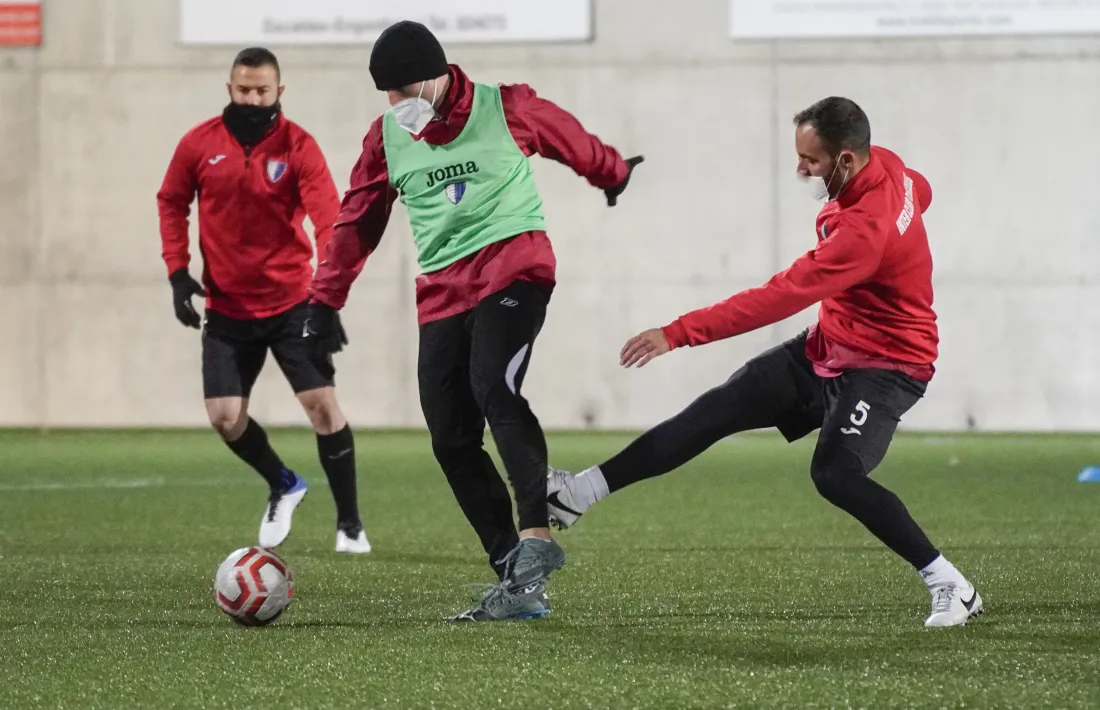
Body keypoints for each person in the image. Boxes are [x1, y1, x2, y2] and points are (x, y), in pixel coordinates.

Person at [546, 97, 983, 628]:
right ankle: (577, 493)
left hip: (887, 364)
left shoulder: (861, 234)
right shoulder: (889, 166)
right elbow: (922, 191)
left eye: (811, 161)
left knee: (835, 475)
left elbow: (778, 297)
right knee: (718, 409)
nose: (800, 169)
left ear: (846, 160)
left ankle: (950, 584)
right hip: (830, 342)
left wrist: (678, 332)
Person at [304, 20, 642, 621]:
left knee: (493, 384)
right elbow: (358, 221)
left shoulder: (504, 106)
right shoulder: (386, 137)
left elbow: (571, 140)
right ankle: (517, 578)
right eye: (387, 92)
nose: (397, 102)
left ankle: (536, 536)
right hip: (441, 293)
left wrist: (611, 172)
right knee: (450, 435)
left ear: (437, 76)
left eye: (406, 88)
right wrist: (324, 301)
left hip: (515, 266)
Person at [157, 47, 370, 554]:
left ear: (280, 92)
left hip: (293, 301)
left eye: (263, 91)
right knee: (224, 417)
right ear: (229, 88)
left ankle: (350, 525)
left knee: (322, 407)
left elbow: (328, 219)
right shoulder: (199, 143)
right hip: (228, 308)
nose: (253, 99)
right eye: (244, 90)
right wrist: (177, 273)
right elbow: (171, 200)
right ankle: (284, 483)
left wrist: (327, 298)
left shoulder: (299, 146)